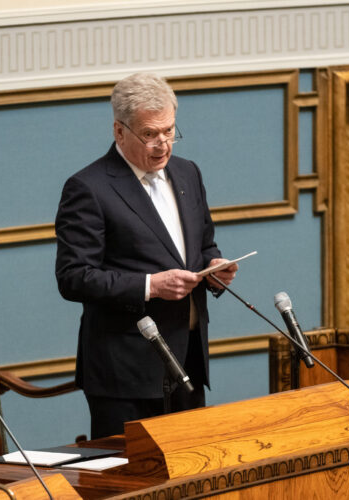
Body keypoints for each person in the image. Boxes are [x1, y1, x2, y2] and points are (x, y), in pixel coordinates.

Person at [55, 72, 238, 439]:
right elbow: (73, 276)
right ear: (119, 131)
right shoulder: (88, 187)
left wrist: (215, 267)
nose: (163, 144)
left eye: (169, 131)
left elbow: (203, 246)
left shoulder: (188, 174)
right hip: (125, 373)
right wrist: (149, 286)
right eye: (150, 134)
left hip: (187, 361)